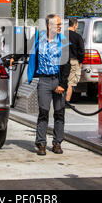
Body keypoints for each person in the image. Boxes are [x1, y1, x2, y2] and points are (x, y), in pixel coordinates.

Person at [27, 14, 70, 156]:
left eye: (60, 24)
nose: (59, 27)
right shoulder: (39, 39)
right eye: (57, 24)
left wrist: (63, 84)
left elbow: (66, 64)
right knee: (43, 112)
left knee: (59, 113)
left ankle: (57, 143)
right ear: (49, 25)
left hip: (57, 81)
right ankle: (41, 143)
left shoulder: (62, 41)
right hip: (44, 81)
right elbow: (26, 51)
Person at [65, 18, 85, 106]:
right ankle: (66, 102)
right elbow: (81, 51)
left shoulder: (61, 35)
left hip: (62, 61)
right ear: (75, 25)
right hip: (73, 62)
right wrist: (81, 61)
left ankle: (59, 102)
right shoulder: (77, 37)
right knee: (70, 83)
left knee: (62, 81)